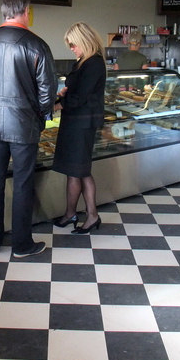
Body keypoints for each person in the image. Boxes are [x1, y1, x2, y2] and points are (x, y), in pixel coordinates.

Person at [0, 0, 57, 258]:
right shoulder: (37, 45)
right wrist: (40, 117)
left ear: (4, 12)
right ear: (26, 11)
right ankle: (22, 245)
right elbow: (48, 91)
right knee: (22, 184)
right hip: (25, 126)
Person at [52, 22, 107, 234]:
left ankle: (91, 215)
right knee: (74, 170)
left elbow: (82, 96)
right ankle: (72, 214)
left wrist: (57, 105)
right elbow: (77, 91)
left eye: (74, 45)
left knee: (80, 171)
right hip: (74, 121)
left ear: (84, 40)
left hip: (82, 123)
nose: (72, 49)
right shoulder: (83, 61)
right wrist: (64, 93)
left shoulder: (94, 63)